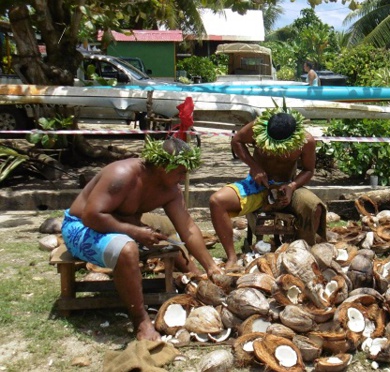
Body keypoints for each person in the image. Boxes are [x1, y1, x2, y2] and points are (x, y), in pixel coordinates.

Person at [61, 137, 223, 341]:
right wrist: (134, 231)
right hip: (80, 227)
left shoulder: (171, 190)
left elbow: (187, 227)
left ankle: (193, 283)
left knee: (171, 242)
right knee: (127, 249)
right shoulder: (122, 175)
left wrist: (210, 267)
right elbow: (91, 215)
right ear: (164, 166)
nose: (183, 177)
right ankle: (141, 321)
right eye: (181, 171)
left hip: (119, 224)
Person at [209, 106, 327, 269]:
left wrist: (292, 186)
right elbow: (237, 141)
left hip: (289, 187)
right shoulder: (257, 128)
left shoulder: (306, 141)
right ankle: (231, 257)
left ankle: (304, 256)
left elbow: (308, 170)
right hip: (256, 186)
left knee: (314, 206)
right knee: (217, 201)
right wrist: (254, 167)